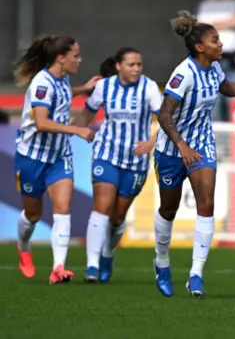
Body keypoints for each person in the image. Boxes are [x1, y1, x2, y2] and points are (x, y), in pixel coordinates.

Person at [153, 11, 235, 298]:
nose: (221, 44)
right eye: (215, 40)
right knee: (168, 209)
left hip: (202, 144)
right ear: (199, 47)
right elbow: (165, 115)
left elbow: (226, 88)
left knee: (206, 203)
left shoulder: (214, 68)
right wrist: (181, 146)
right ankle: (162, 262)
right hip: (172, 149)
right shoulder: (184, 74)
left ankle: (196, 274)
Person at [73, 47, 163, 283]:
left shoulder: (149, 88)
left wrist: (151, 143)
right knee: (102, 206)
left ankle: (107, 255)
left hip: (136, 160)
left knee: (117, 217)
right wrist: (72, 131)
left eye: (139, 65)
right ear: (118, 66)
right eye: (131, 64)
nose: (136, 69)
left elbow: (166, 119)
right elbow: (87, 114)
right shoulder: (105, 87)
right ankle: (92, 265)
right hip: (107, 153)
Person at [14, 34, 97, 284]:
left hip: (60, 156)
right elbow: (40, 122)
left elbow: (62, 94)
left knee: (63, 210)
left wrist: (83, 89)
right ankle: (24, 246)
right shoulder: (41, 83)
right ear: (61, 59)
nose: (79, 60)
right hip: (32, 158)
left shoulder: (62, 79)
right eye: (76, 55)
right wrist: (77, 130)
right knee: (33, 215)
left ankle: (58, 267)